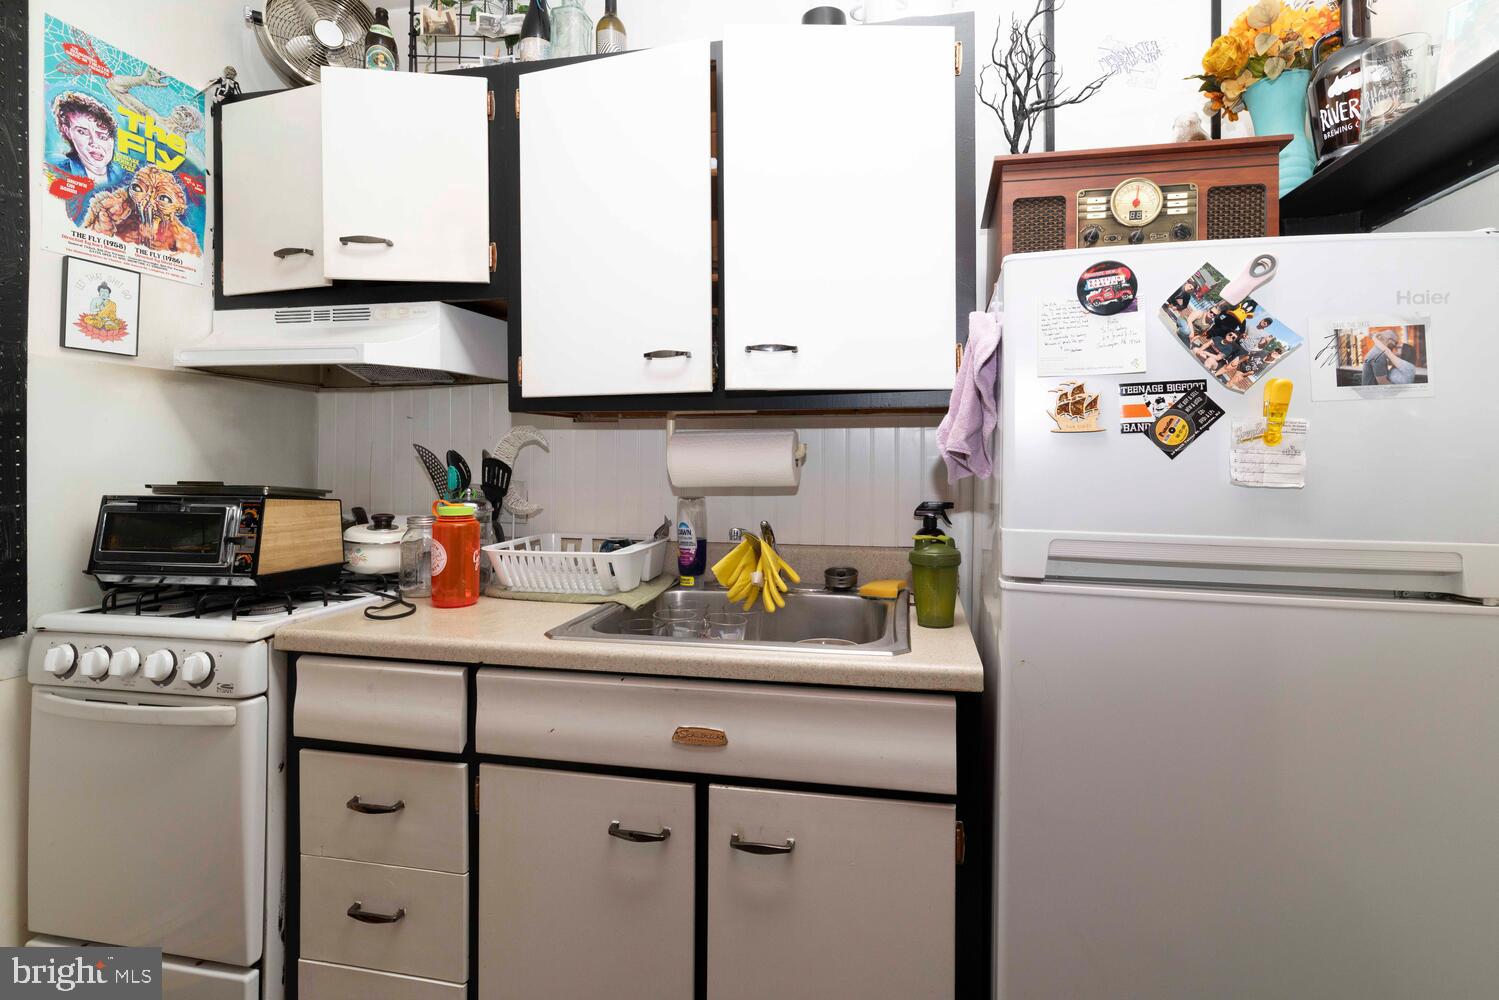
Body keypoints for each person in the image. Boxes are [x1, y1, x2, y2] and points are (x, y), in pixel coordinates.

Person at [49, 91, 128, 224]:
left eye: (102, 136)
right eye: (82, 132)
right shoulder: (55, 172)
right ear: (67, 131)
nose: (94, 143)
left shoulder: (125, 179)